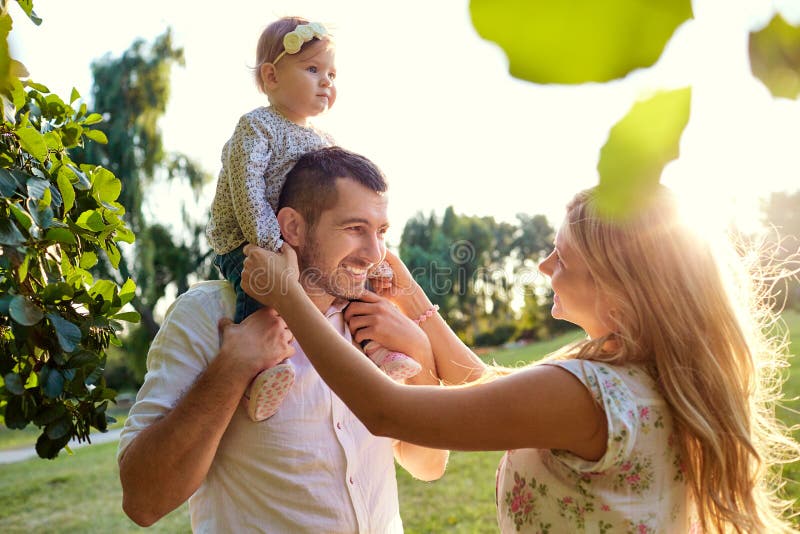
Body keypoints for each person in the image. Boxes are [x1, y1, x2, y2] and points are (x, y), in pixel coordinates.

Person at [242, 184, 800, 533]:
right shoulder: (644, 377)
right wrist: (401, 278)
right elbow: (485, 380)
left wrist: (287, 294)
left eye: (564, 255)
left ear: (619, 283)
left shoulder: (583, 393)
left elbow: (388, 411)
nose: (544, 265)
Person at [118, 147, 449, 532]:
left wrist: (420, 352)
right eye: (354, 229)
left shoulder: (379, 324)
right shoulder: (207, 315)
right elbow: (143, 500)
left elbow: (428, 466)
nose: (374, 254)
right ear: (292, 227)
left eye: (381, 232)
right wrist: (234, 365)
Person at [206, 16, 418, 421]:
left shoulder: (324, 140)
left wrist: (377, 263)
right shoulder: (256, 127)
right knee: (263, 292)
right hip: (248, 239)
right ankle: (261, 372)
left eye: (332, 74)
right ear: (271, 76)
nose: (327, 82)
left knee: (353, 285)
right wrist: (271, 245)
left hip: (300, 239)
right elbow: (246, 185)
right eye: (313, 70)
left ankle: (376, 350)